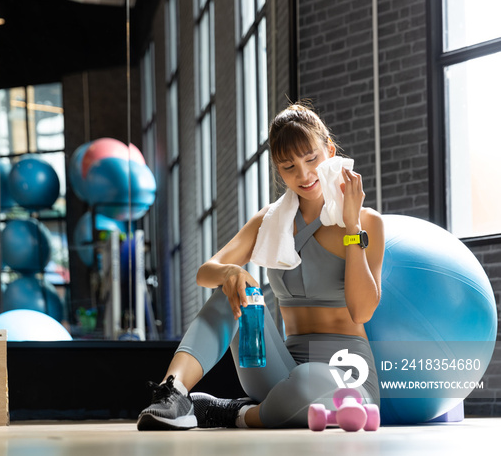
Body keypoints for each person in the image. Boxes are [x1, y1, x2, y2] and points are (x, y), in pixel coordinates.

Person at [137, 102, 385, 430]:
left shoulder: (367, 222)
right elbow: (205, 272)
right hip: (278, 365)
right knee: (236, 289)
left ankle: (232, 413)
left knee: (305, 383)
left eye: (311, 158)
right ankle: (173, 394)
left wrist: (352, 229)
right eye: (288, 166)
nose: (304, 174)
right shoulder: (270, 221)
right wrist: (230, 272)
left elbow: (362, 311)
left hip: (344, 372)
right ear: (277, 170)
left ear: (330, 150)